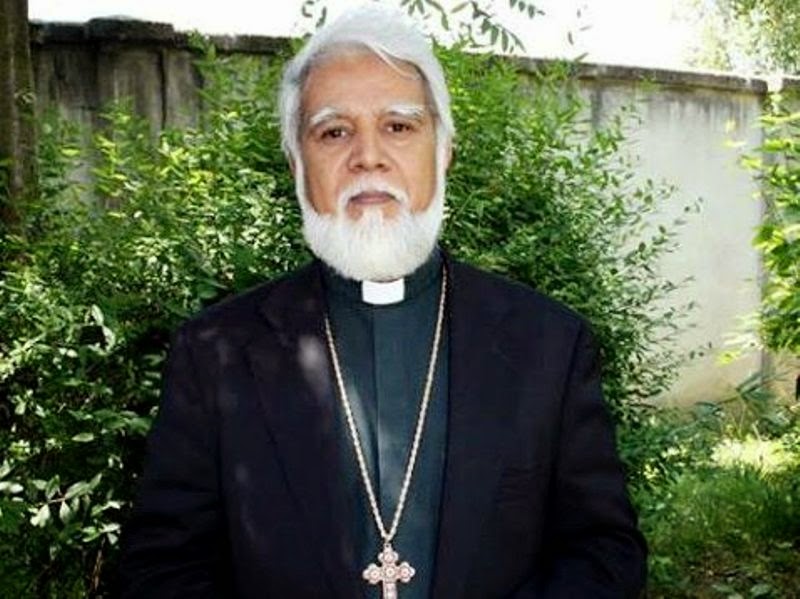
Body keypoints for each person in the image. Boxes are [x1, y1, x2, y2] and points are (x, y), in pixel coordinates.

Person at [117, 5, 647, 598]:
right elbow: (160, 569)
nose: (367, 156)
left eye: (398, 126)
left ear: (443, 151)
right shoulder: (215, 353)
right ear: (297, 164)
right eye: (333, 132)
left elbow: (604, 553)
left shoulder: (549, 343)